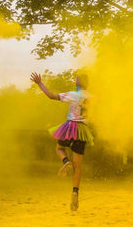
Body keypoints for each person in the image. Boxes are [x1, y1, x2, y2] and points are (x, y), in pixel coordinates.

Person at [30, 72, 94, 211]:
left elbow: (51, 95)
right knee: (78, 166)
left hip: (71, 127)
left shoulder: (73, 94)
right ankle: (75, 192)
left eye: (76, 79)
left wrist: (40, 83)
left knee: (59, 148)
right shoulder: (91, 97)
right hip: (83, 130)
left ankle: (65, 161)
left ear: (79, 82)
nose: (75, 80)